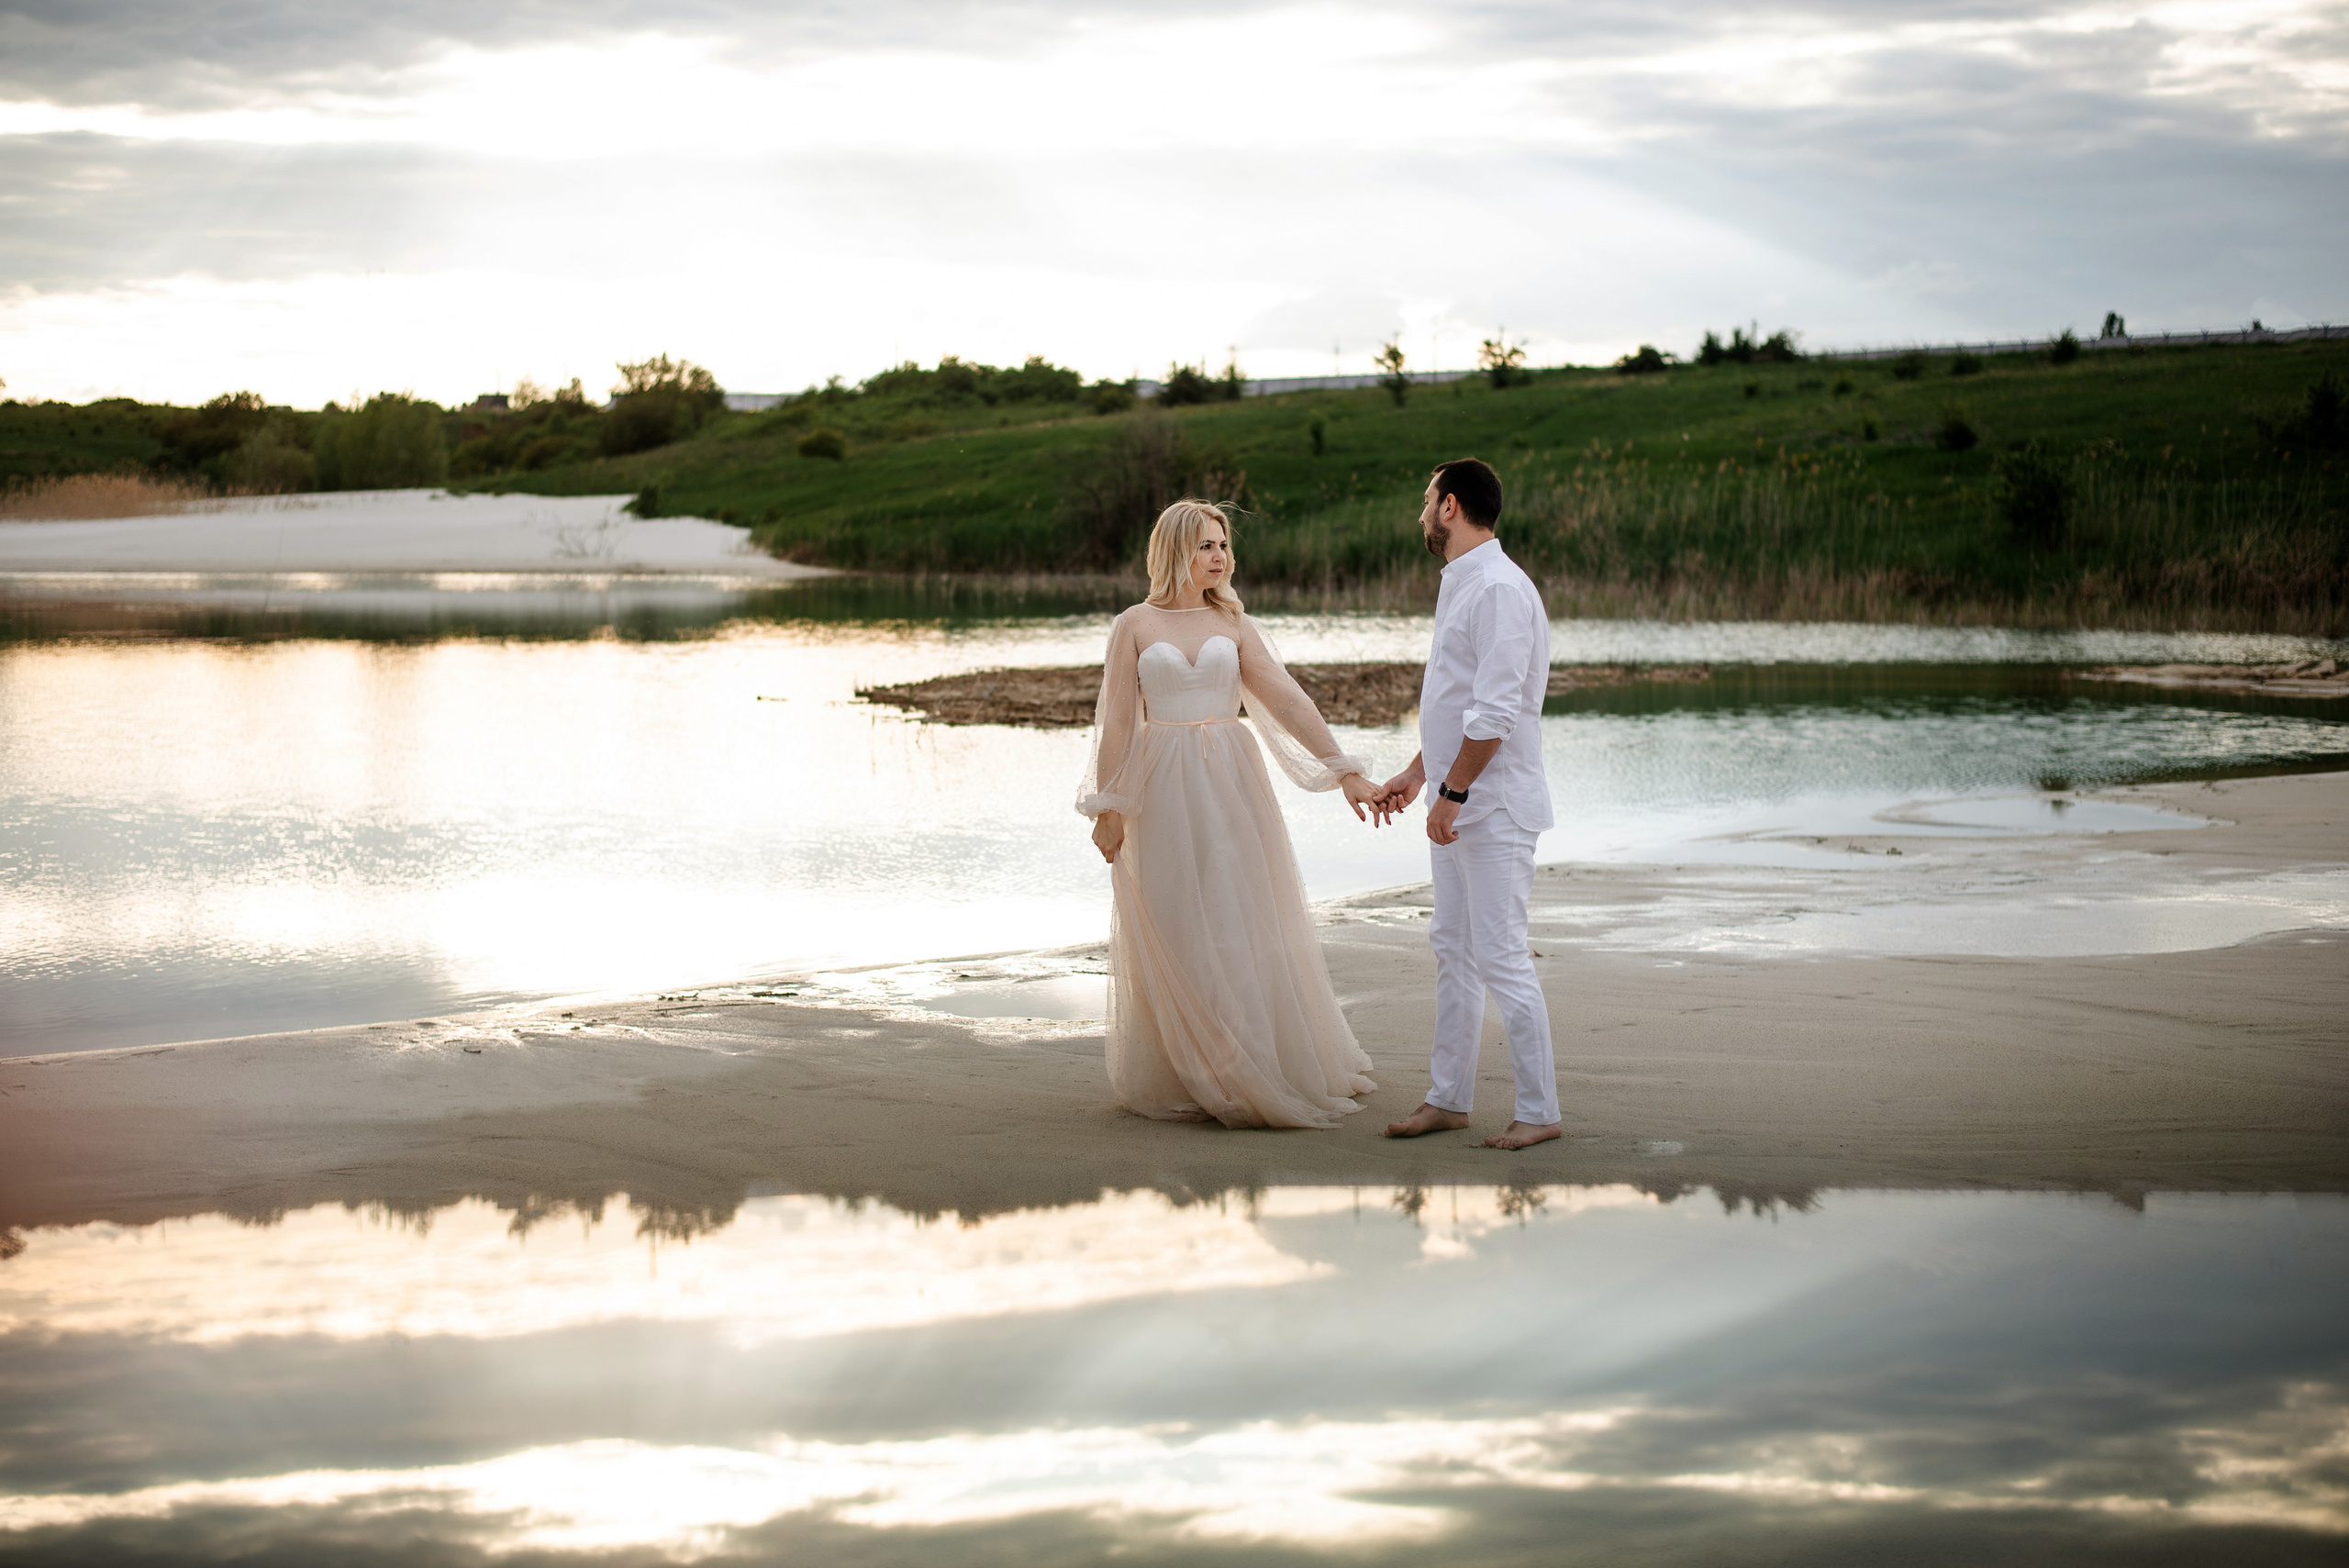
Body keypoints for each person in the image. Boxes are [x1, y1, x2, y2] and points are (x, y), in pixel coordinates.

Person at [1078, 499, 1387, 1128]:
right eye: (1205, 546)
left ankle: (1248, 1059)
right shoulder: (1133, 624)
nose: (1219, 556)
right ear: (1173, 552)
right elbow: (1115, 721)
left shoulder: (1234, 623)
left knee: (1234, 911)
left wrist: (1345, 770)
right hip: (1159, 781)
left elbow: (1289, 700)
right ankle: (1192, 1065)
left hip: (1230, 781)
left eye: (1222, 544)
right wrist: (1108, 806)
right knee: (1176, 914)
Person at [1375, 459, 1563, 1151]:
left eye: (1427, 500)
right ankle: (1448, 1098)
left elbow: (1497, 711)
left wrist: (1452, 792)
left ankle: (1540, 1110)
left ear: (1450, 507)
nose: (1421, 513)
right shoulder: (1463, 584)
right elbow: (1458, 707)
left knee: (1502, 952)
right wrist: (1420, 773)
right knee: (1452, 946)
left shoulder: (1501, 590)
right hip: (1459, 799)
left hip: (1496, 805)